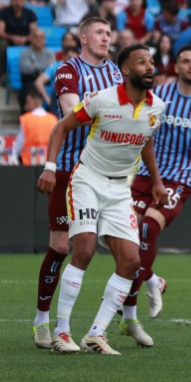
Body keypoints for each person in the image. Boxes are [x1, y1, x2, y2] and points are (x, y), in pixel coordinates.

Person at [36, 44, 165, 355]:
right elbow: (61, 127)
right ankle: (61, 331)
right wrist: (50, 168)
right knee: (83, 248)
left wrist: (157, 180)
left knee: (132, 261)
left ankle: (96, 334)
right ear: (125, 70)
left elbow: (145, 139)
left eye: (151, 61)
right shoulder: (100, 100)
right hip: (87, 181)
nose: (149, 66)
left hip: (121, 189)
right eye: (141, 62)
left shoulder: (156, 107)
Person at [31, 18, 125, 351]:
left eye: (109, 33)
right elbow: (72, 111)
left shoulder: (116, 72)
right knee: (59, 246)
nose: (106, 38)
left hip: (103, 171)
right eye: (100, 33)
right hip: (70, 169)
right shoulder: (67, 70)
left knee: (118, 249)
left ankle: (115, 322)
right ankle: (43, 321)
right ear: (83, 38)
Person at [121, 45, 191, 339]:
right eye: (186, 62)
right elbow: (142, 132)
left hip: (180, 181)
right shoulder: (158, 96)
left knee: (148, 230)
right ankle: (152, 280)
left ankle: (126, 302)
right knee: (119, 235)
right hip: (146, 175)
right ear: (176, 67)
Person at [14, 90, 58, 165]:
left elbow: (19, 145)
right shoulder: (53, 119)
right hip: (49, 163)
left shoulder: (25, 119)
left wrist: (14, 156)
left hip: (29, 163)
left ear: (36, 102)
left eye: (28, 102)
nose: (25, 105)